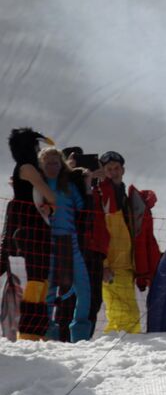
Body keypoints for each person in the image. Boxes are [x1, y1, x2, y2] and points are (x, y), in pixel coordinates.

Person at [90, 151, 161, 334]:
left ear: (123, 169)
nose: (113, 172)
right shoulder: (102, 194)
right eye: (109, 169)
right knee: (126, 314)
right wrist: (103, 264)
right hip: (112, 264)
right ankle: (124, 348)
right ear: (103, 171)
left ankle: (118, 346)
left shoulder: (123, 194)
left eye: (116, 168)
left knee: (121, 313)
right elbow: (98, 230)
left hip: (126, 264)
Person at [3, 128, 58, 340]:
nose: (38, 149)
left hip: (34, 225)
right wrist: (52, 203)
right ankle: (28, 332)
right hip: (30, 227)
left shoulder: (26, 168)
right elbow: (49, 194)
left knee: (41, 279)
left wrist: (50, 206)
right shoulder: (27, 168)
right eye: (36, 145)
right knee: (35, 279)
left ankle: (36, 330)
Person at [37, 147, 93, 342]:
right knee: (49, 292)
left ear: (61, 164)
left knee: (84, 290)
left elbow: (82, 206)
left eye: (56, 162)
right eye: (48, 163)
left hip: (71, 242)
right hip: (49, 244)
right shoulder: (37, 186)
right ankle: (49, 334)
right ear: (41, 166)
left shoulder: (68, 185)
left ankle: (79, 335)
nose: (53, 166)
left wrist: (86, 186)